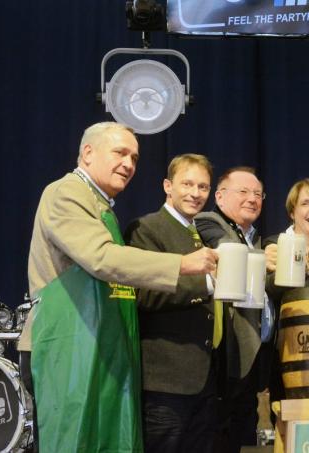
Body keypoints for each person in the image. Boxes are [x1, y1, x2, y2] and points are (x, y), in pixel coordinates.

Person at [17, 122, 218, 452]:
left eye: (135, 158)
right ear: (87, 153)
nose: (129, 164)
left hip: (93, 345)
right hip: (64, 344)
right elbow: (100, 257)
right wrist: (182, 264)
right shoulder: (66, 192)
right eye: (120, 153)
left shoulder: (99, 203)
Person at [123, 153, 219, 452]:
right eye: (187, 184)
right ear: (168, 186)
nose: (195, 193)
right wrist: (207, 283)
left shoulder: (199, 233)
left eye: (203, 187)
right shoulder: (146, 228)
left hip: (203, 381)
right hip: (165, 383)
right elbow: (142, 293)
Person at [194, 166, 271, 453]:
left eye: (258, 194)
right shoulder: (208, 222)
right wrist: (268, 258)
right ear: (220, 196)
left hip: (250, 360)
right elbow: (229, 251)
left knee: (241, 439)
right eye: (243, 192)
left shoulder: (255, 238)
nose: (252, 198)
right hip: (223, 361)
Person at [262, 178, 309, 410]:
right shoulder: (275, 246)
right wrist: (306, 268)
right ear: (292, 213)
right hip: (291, 357)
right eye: (305, 203)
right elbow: (270, 288)